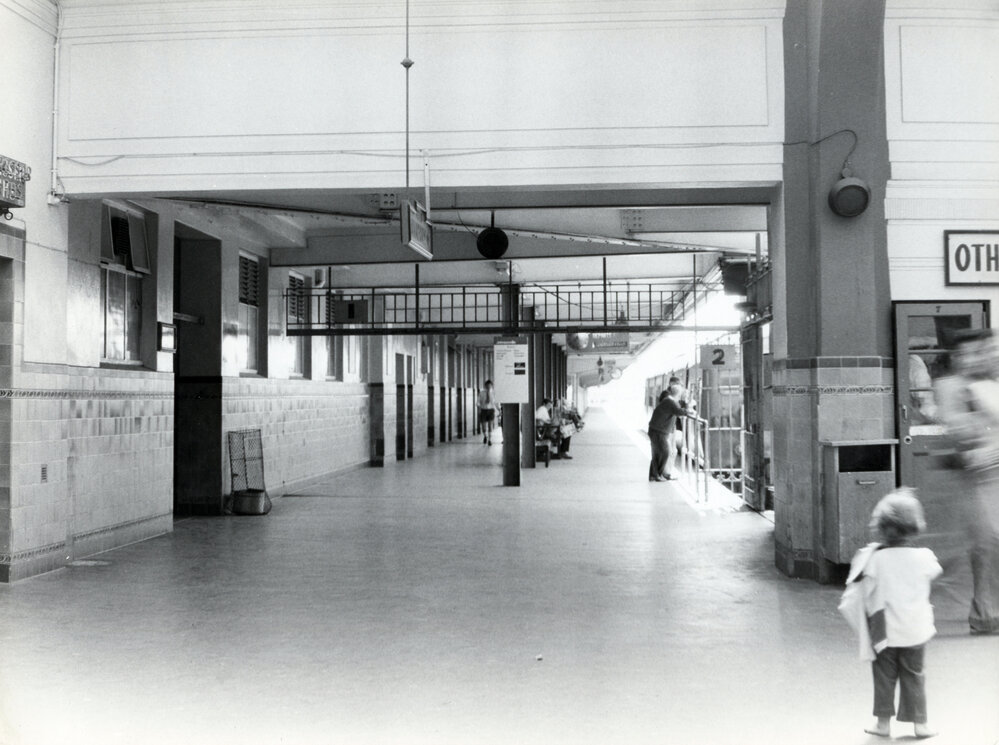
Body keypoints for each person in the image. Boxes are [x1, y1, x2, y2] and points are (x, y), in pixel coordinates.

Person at [842, 488, 942, 739]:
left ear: (882, 528)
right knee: (915, 675)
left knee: (884, 677)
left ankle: (883, 723)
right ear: (915, 526)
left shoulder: (875, 560)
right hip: (915, 627)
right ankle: (920, 725)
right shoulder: (925, 557)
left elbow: (863, 587)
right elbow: (935, 573)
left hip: (884, 631)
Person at [942, 329, 999, 635]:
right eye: (972, 353)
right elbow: (963, 434)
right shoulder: (952, 387)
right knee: (986, 544)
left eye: (985, 351)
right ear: (957, 357)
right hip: (978, 480)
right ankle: (985, 614)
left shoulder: (989, 384)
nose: (981, 358)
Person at [648, 384, 684, 481]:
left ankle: (655, 475)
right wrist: (690, 409)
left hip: (657, 430)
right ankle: (657, 475)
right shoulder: (669, 401)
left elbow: (678, 409)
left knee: (658, 453)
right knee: (664, 452)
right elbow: (680, 411)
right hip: (658, 431)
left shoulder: (669, 401)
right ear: (678, 394)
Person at [477, 380, 498, 445]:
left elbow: (496, 402)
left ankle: (489, 440)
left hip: (491, 410)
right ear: (485, 386)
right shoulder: (481, 393)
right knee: (483, 426)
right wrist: (479, 408)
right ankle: (485, 436)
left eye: (490, 386)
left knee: (490, 425)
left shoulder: (494, 393)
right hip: (483, 410)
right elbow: (478, 402)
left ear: (491, 386)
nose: (488, 387)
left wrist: (498, 409)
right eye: (487, 386)